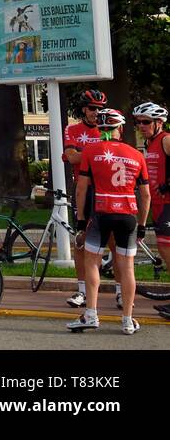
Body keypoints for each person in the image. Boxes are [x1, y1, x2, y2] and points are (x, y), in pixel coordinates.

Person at [67, 108, 151, 335]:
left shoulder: (91, 151)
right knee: (127, 268)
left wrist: (81, 220)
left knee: (91, 262)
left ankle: (91, 315)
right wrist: (142, 224)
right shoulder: (136, 154)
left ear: (99, 129)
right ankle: (127, 320)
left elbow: (82, 188)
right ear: (120, 128)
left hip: (101, 213)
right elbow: (145, 195)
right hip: (127, 216)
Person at [63, 89, 109, 308]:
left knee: (113, 241)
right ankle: (82, 291)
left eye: (100, 109)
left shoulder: (109, 128)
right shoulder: (72, 130)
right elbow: (71, 156)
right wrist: (99, 151)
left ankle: (120, 291)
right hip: (83, 189)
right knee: (81, 241)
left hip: (107, 189)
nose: (96, 113)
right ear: (83, 109)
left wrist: (87, 153)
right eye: (92, 108)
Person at [131, 102, 170, 320]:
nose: (141, 126)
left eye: (146, 122)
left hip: (168, 204)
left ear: (158, 123)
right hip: (158, 205)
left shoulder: (165, 139)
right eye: (138, 122)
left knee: (167, 251)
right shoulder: (150, 144)